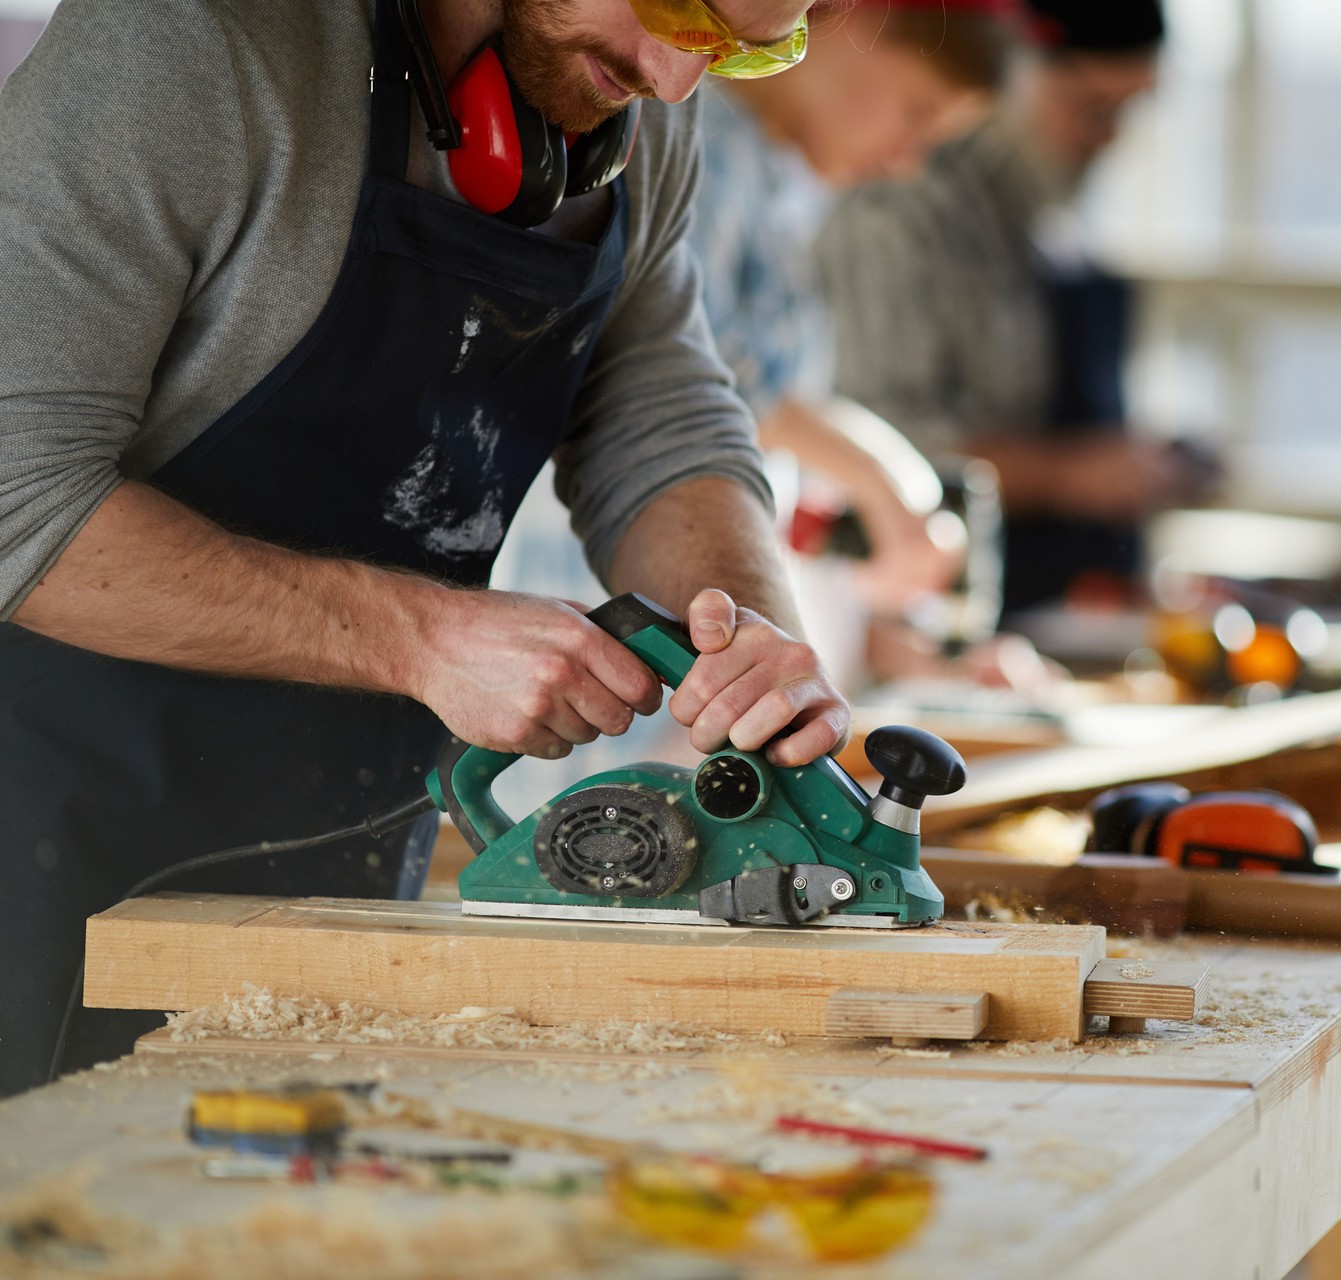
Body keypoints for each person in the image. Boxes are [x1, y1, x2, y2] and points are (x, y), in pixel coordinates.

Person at [0, 0, 841, 1097]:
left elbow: (661, 425)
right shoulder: (194, 44)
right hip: (44, 844)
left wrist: (748, 645)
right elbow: (18, 492)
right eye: (675, 6)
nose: (679, 80)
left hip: (331, 881)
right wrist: (418, 637)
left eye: (744, 43)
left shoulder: (629, 114)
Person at [817, 0, 1216, 615]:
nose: (1111, 135)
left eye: (1131, 110)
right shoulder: (896, 200)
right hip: (918, 606)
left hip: (1059, 608)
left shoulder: (1053, 207)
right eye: (1093, 109)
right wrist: (1070, 475)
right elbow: (879, 439)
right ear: (1011, 68)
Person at [690, 0, 1011, 617]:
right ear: (863, 21)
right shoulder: (700, 143)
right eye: (916, 114)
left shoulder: (776, 183)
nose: (907, 162)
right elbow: (697, 375)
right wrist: (874, 472)